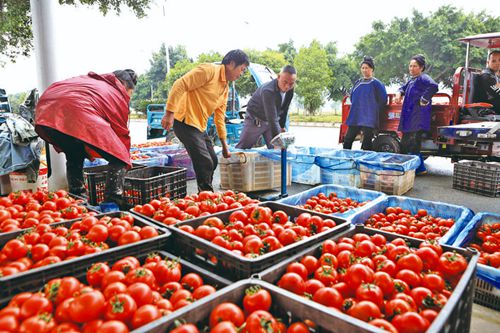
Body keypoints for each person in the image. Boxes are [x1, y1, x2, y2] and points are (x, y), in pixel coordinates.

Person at [35, 69, 137, 207]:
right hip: (76, 111)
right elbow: (121, 134)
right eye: (129, 94)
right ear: (124, 85)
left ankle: (77, 199)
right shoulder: (116, 94)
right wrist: (125, 157)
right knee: (119, 157)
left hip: (46, 111)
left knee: (75, 154)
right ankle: (112, 202)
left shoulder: (91, 82)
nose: (128, 99)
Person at [161, 50, 249, 192]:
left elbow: (219, 118)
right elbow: (180, 84)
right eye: (242, 69)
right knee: (204, 161)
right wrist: (169, 113)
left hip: (199, 126)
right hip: (184, 122)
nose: (241, 74)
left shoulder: (225, 88)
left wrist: (225, 146)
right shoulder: (209, 71)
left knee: (213, 160)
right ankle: (206, 195)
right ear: (231, 63)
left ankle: (204, 194)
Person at [394, 55, 438, 175]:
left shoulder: (423, 78)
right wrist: (399, 93)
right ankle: (417, 168)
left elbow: (434, 86)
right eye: (410, 66)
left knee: (413, 144)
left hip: (417, 119)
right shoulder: (412, 80)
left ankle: (418, 169)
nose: (412, 68)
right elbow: (402, 88)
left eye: (415, 66)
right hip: (409, 118)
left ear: (421, 68)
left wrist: (424, 98)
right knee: (405, 144)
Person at [235, 65, 296, 149]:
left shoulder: (290, 90)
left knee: (277, 151)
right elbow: (272, 117)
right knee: (243, 148)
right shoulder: (268, 90)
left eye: (291, 84)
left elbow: (284, 109)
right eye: (285, 82)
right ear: (278, 77)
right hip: (255, 119)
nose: (287, 87)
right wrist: (278, 140)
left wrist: (281, 127)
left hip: (272, 121)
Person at [343, 56, 387, 150]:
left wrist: (373, 110)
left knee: (366, 143)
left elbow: (383, 100)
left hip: (369, 118)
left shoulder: (376, 83)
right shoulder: (358, 82)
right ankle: (346, 160)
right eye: (363, 68)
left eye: (366, 68)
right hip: (356, 115)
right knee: (347, 139)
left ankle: (365, 162)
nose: (364, 70)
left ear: (372, 69)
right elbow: (352, 97)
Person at [476, 50, 500, 115]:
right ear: (488, 62)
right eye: (493, 61)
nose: (497, 63)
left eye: (499, 60)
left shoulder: (495, 75)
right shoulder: (486, 76)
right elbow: (497, 92)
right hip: (487, 106)